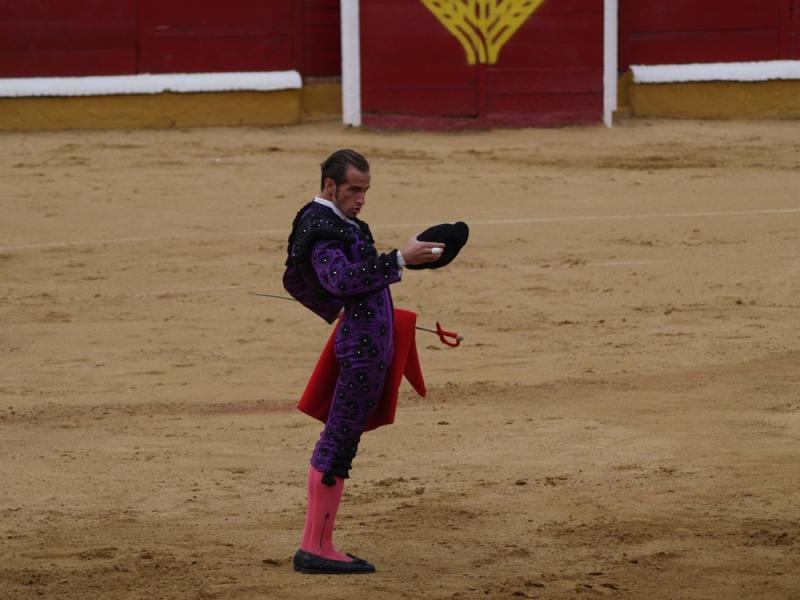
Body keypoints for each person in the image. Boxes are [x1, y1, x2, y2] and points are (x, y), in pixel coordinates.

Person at [283, 149, 444, 574]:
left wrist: (341, 308)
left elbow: (314, 281)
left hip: (369, 343)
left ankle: (318, 543)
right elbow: (339, 279)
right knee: (339, 440)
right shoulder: (320, 226)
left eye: (366, 191)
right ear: (330, 186)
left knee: (344, 440)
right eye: (354, 190)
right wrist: (397, 260)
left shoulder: (344, 224)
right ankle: (316, 547)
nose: (361, 199)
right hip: (360, 351)